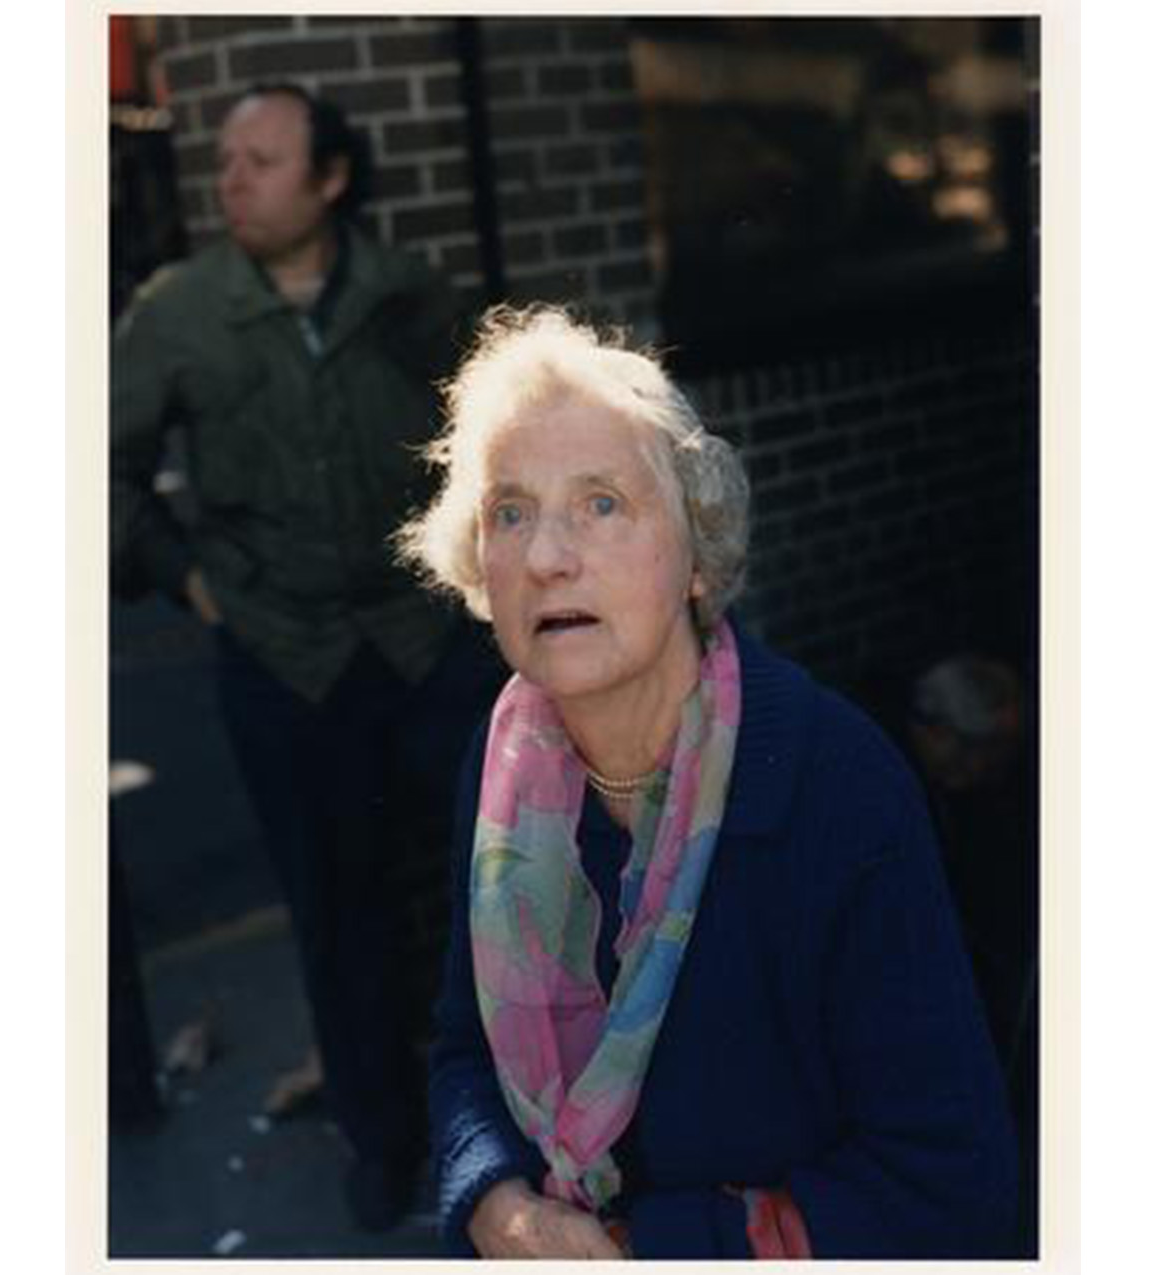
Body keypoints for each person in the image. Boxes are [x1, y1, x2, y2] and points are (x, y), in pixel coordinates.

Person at [395, 306, 1018, 1259]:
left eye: (602, 502)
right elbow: (464, 1052)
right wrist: (493, 1201)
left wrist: (645, 1244)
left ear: (696, 550)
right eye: (509, 511)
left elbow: (950, 1181)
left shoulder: (831, 785)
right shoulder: (504, 763)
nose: (547, 554)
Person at [110, 82, 499, 1230]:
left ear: (330, 179)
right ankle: (380, 1144)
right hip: (281, 658)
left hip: (421, 639)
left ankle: (526, 1123)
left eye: (262, 160)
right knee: (337, 916)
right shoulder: (177, 311)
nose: (230, 180)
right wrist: (189, 584)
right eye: (223, 160)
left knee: (508, 879)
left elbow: (481, 434)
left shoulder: (406, 295)